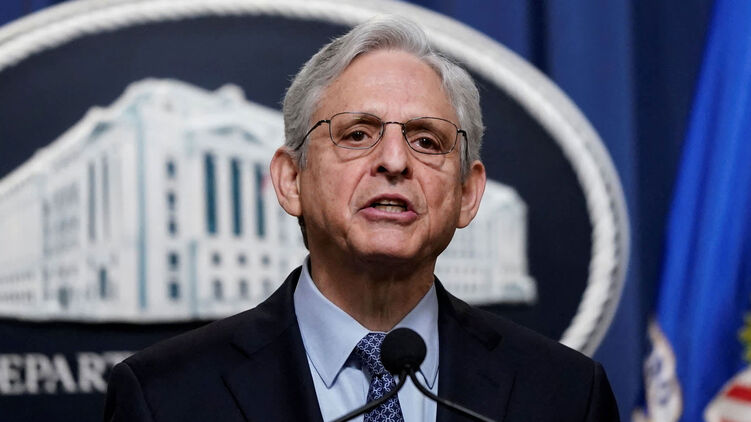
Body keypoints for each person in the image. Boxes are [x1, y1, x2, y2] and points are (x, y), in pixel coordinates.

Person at [104, 16, 619, 422]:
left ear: (467, 194)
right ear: (290, 180)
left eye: (426, 140)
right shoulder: (164, 398)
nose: (394, 161)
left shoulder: (567, 395)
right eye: (357, 134)